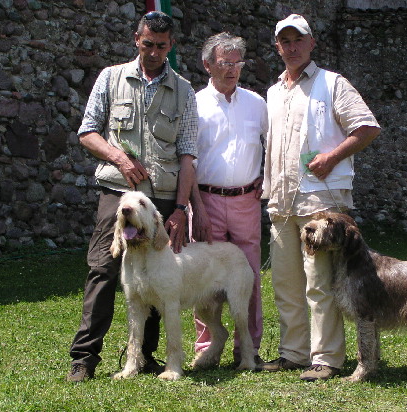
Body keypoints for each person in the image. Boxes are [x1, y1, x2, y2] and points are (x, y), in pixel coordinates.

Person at [66, 11, 206, 382]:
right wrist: (118, 158)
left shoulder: (184, 91)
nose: (154, 52)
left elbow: (188, 154)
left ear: (171, 46)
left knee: (160, 274)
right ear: (136, 39)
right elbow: (87, 132)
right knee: (103, 269)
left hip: (161, 196)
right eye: (148, 44)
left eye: (162, 46)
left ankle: (144, 355)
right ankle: (84, 358)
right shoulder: (111, 79)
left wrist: (180, 208)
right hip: (117, 193)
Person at [261, 14, 381, 381]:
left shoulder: (333, 84)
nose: (292, 47)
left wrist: (332, 157)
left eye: (299, 40)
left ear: (312, 43)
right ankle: (293, 353)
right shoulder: (273, 91)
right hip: (281, 204)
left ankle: (327, 358)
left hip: (322, 204)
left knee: (319, 283)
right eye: (285, 41)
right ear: (277, 46)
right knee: (286, 285)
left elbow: (367, 127)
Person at [193, 32, 268, 367]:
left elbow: (275, 146)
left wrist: (264, 183)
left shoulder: (256, 104)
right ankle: (207, 348)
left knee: (249, 276)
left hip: (246, 201)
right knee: (203, 277)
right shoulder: (193, 104)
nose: (233, 70)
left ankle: (247, 349)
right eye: (225, 63)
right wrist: (195, 206)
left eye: (238, 63)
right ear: (208, 64)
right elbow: (186, 158)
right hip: (206, 199)